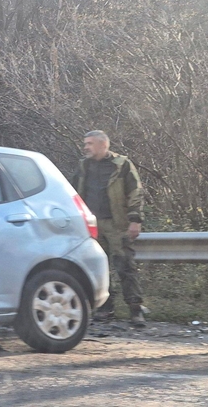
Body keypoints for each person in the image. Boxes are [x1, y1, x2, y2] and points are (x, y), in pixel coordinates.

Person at [71, 130, 147, 327]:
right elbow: (73, 192)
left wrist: (135, 220)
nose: (85, 147)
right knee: (99, 268)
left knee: (125, 266)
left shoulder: (122, 165)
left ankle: (135, 309)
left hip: (117, 224)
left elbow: (135, 192)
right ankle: (106, 308)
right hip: (92, 226)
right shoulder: (83, 166)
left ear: (103, 145)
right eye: (85, 143)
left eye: (89, 143)